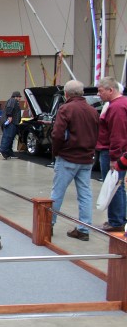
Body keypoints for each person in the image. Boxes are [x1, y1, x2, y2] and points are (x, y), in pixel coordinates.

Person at [49, 80, 99, 241]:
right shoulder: (93, 110)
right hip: (86, 159)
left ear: (66, 94)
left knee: (57, 192)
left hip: (67, 157)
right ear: (82, 93)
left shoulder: (66, 108)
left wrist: (56, 152)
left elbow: (57, 134)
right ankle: (84, 229)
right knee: (85, 195)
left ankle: (48, 224)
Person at [96, 76, 127, 232]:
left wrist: (114, 157)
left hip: (113, 152)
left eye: (100, 91)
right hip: (118, 152)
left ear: (111, 90)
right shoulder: (121, 104)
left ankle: (116, 221)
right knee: (118, 185)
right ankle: (119, 218)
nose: (98, 94)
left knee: (113, 185)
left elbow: (117, 134)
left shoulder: (116, 107)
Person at [0, 91, 22, 160]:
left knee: (11, 138)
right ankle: (3, 150)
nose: (20, 98)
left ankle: (9, 152)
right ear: (15, 97)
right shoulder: (12, 100)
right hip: (10, 122)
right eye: (19, 97)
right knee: (8, 136)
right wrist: (10, 116)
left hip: (13, 123)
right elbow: (9, 108)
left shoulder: (13, 101)